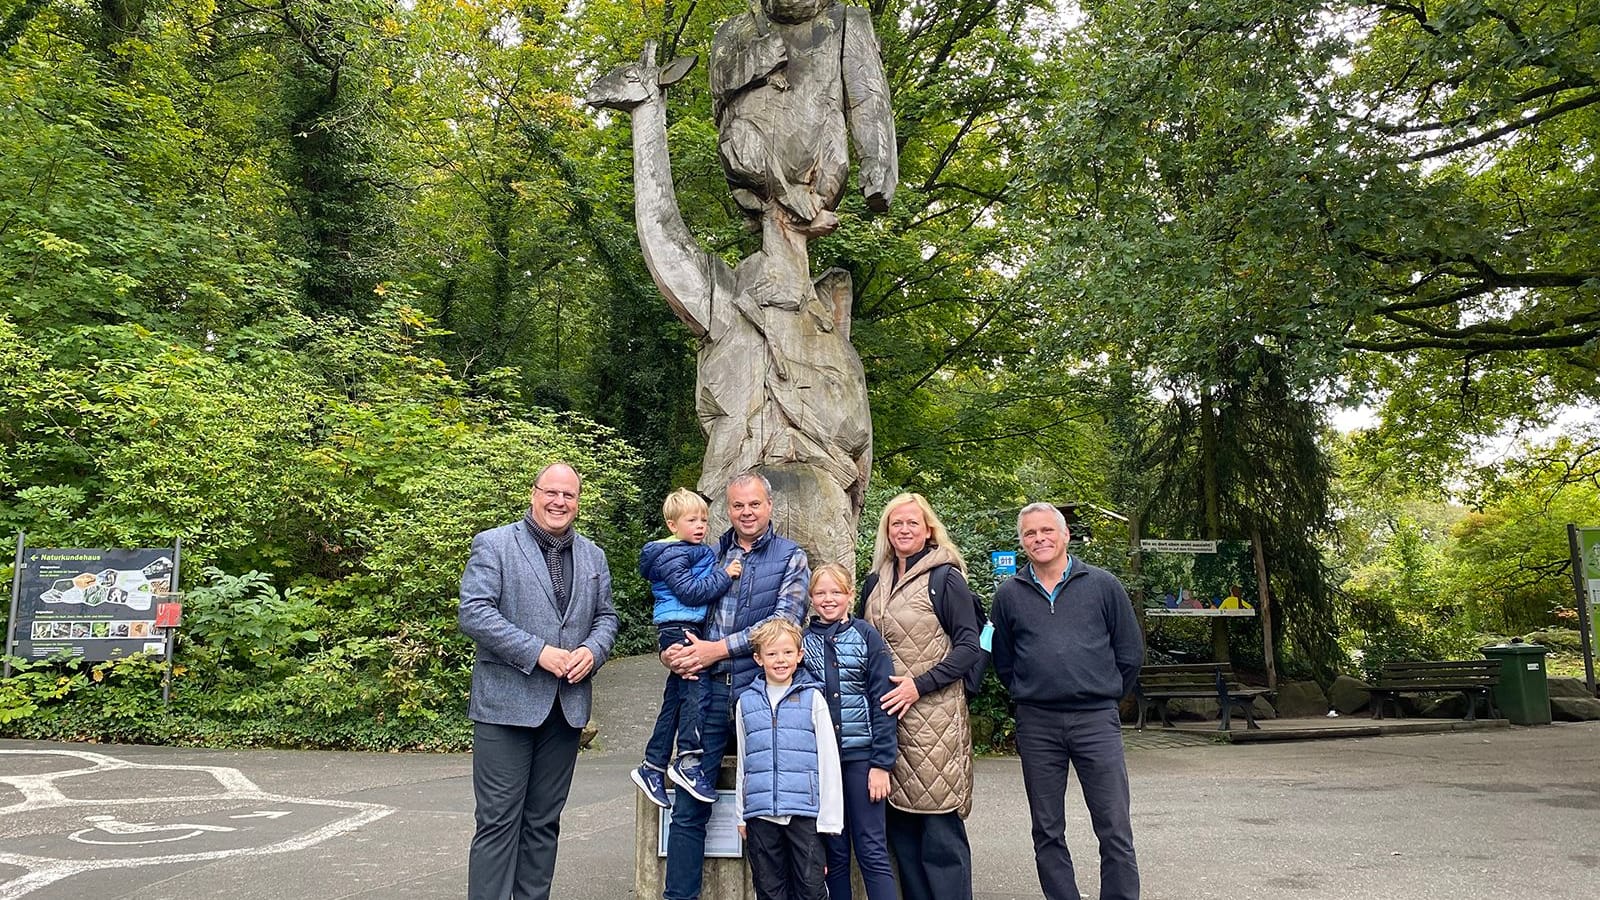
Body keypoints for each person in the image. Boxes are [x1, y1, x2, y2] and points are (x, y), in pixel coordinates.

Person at [458, 462, 620, 900]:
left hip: (565, 709)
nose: (559, 502)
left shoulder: (593, 556)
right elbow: (474, 613)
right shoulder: (494, 544)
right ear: (533, 494)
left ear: (578, 503)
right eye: (551, 492)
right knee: (497, 822)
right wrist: (539, 653)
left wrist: (594, 650)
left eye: (569, 496)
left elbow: (606, 616)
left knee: (544, 823)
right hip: (506, 707)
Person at [659, 472, 810, 900]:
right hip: (704, 695)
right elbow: (678, 610)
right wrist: (671, 651)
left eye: (754, 504)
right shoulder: (708, 554)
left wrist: (717, 649)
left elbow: (784, 624)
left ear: (769, 506)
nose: (746, 512)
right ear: (729, 508)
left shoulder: (790, 557)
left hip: (761, 696)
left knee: (777, 810)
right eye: (738, 506)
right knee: (689, 805)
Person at [990, 502, 1143, 900]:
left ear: (1065, 535)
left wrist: (1102, 692)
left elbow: (1129, 652)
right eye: (1030, 533)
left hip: (1096, 719)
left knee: (1113, 825)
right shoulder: (1009, 595)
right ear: (1022, 542)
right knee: (1046, 827)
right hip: (1037, 722)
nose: (1039, 539)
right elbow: (1004, 661)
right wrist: (1033, 690)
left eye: (1046, 531)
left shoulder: (1103, 585)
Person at [860, 492, 982, 900]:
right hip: (887, 719)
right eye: (896, 523)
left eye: (913, 522)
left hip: (935, 720)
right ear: (887, 531)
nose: (904, 529)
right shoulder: (876, 581)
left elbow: (969, 647)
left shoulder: (945, 577)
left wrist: (919, 684)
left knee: (938, 828)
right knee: (902, 832)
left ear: (928, 528)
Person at [633, 488, 743, 807]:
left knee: (676, 700)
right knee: (697, 693)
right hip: (680, 627)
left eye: (704, 520)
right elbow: (692, 592)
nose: (700, 526)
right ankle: (689, 760)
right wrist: (725, 574)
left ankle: (652, 766)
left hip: (686, 627)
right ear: (672, 525)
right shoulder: (672, 554)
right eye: (692, 520)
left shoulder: (690, 550)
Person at [801, 562, 898, 900]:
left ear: (850, 595)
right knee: (836, 853)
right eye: (821, 592)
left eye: (836, 592)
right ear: (811, 597)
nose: (829, 599)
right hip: (822, 764)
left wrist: (882, 763)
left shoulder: (866, 635)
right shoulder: (801, 642)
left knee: (872, 849)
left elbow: (883, 699)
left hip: (862, 759)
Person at [734, 618, 843, 900]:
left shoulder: (813, 699)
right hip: (760, 813)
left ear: (799, 655)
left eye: (787, 653)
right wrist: (741, 814)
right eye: (771, 654)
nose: (780, 660)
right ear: (758, 658)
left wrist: (830, 818)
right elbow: (744, 763)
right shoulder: (745, 702)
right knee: (769, 890)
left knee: (811, 888)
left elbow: (828, 760)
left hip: (804, 813)